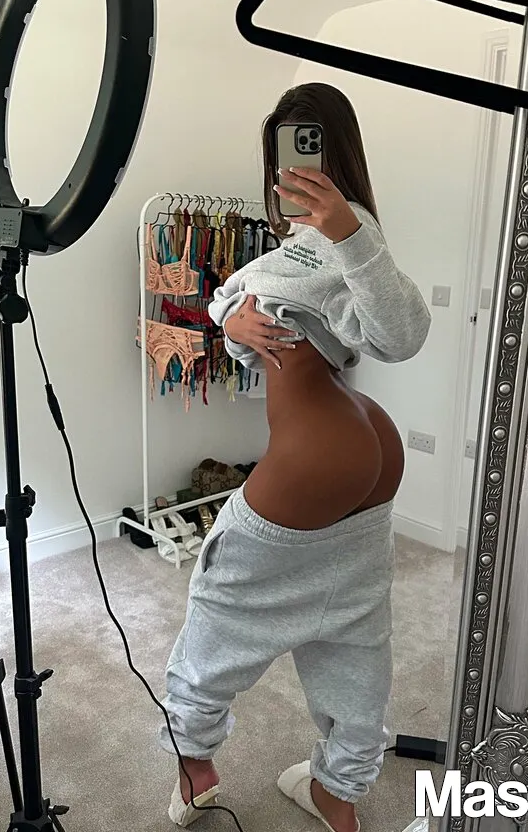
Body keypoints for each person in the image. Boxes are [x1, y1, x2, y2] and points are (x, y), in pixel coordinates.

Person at [159, 83, 431, 832]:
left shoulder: (350, 240)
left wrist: (345, 232)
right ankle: (336, 792)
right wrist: (231, 320)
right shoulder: (310, 248)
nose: (291, 172)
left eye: (309, 149)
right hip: (364, 448)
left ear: (337, 155)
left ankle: (194, 764)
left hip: (321, 449)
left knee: (219, 604)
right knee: (352, 630)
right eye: (282, 155)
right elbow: (235, 294)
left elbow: (401, 336)